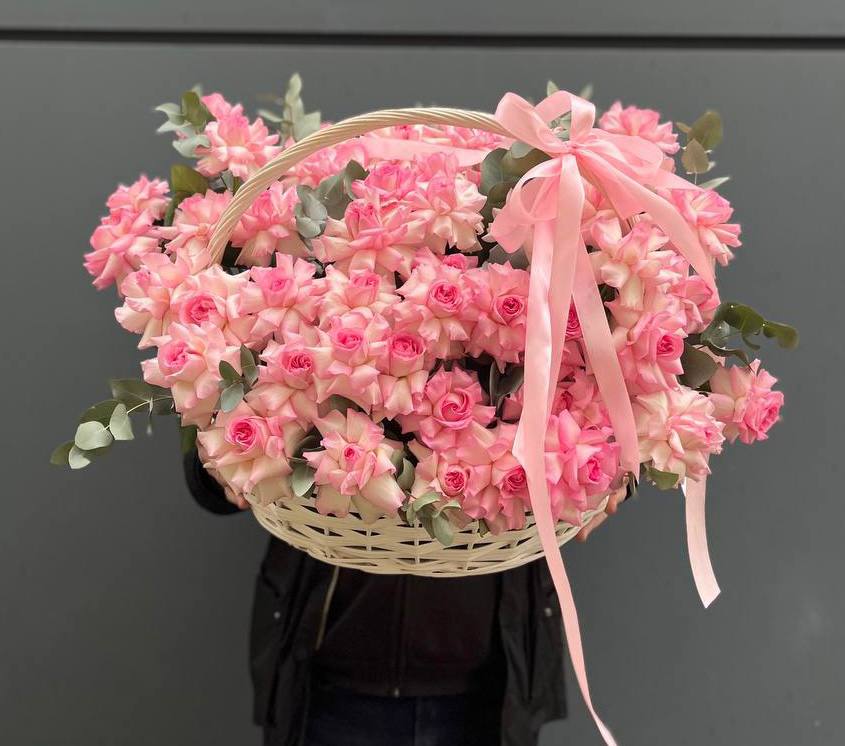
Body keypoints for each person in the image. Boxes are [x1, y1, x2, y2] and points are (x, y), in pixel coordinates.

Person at [183, 448, 622, 746]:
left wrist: (618, 473)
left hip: (489, 691)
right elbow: (204, 478)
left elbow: (621, 416)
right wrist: (222, 458)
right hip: (328, 683)